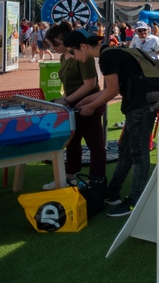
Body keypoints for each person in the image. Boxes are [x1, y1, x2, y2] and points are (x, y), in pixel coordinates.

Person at [64, 29, 159, 218]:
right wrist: (86, 101)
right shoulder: (110, 52)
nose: (72, 57)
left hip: (142, 104)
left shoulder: (107, 57)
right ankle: (113, 192)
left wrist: (91, 106)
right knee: (125, 149)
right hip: (140, 103)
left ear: (83, 46)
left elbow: (112, 91)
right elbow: (109, 89)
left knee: (138, 152)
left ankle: (135, 201)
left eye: (72, 52)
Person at [42, 22, 105, 190]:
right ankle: (70, 177)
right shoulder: (64, 57)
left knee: (95, 145)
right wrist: (64, 100)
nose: (53, 48)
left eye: (55, 44)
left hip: (89, 103)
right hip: (73, 104)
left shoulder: (84, 56)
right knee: (72, 141)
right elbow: (69, 85)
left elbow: (90, 84)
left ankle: (96, 181)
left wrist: (67, 100)